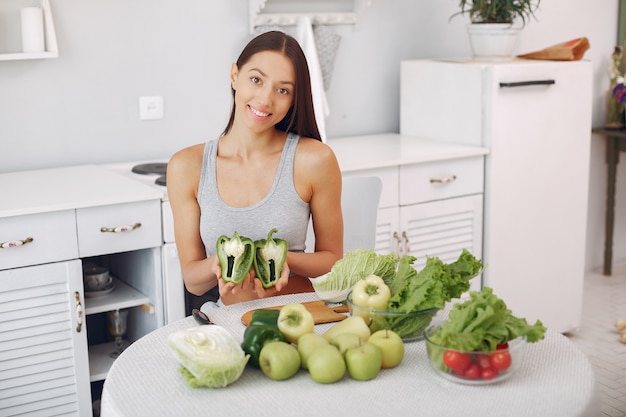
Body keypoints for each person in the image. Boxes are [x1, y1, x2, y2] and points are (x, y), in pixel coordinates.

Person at [167, 31, 343, 307]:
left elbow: (333, 261)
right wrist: (225, 261)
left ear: (294, 99)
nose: (265, 99)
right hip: (224, 316)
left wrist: (277, 257)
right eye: (256, 80)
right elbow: (193, 281)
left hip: (295, 311)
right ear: (235, 75)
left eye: (282, 89)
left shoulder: (315, 160)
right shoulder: (186, 166)